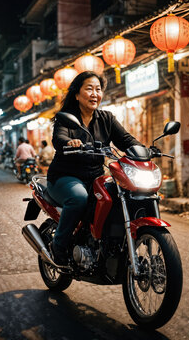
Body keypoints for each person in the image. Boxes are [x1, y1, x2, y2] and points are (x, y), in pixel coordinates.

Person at [46, 71, 142, 264]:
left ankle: (108, 244)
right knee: (79, 197)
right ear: (76, 94)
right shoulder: (66, 118)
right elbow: (59, 138)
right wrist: (70, 142)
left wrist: (142, 150)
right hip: (65, 177)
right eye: (89, 89)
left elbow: (125, 139)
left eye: (98, 89)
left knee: (119, 196)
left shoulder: (106, 118)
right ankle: (59, 245)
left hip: (96, 177)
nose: (94, 94)